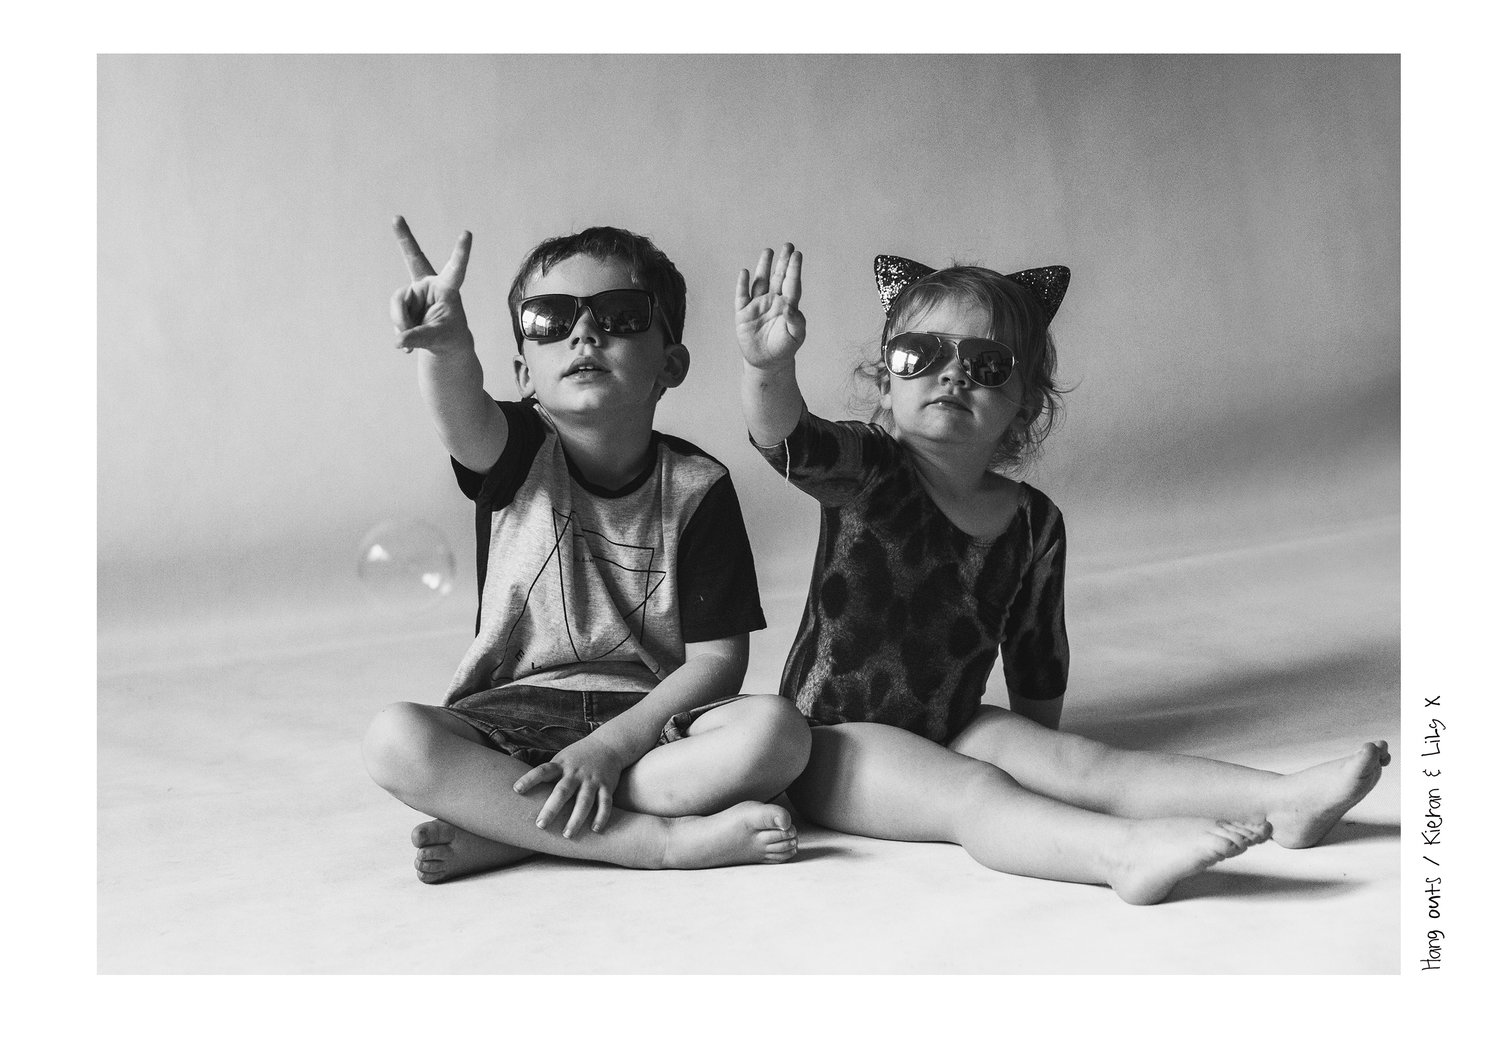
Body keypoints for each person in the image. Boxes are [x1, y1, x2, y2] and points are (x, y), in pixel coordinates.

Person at [735, 243, 1389, 904]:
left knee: (1087, 762)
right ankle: (1119, 855)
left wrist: (1043, 757)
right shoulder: (867, 469)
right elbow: (790, 441)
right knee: (976, 792)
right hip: (833, 743)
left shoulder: (1032, 520)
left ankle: (1282, 800)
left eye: (987, 365)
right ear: (885, 383)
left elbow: (1038, 651)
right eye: (919, 355)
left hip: (954, 720)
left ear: (1024, 405)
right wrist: (769, 366)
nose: (952, 374)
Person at [363, 219, 810, 882]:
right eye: (549, 319)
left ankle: (512, 827)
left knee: (779, 732)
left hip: (647, 725)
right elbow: (462, 413)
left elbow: (718, 662)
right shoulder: (514, 449)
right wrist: (448, 347)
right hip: (509, 719)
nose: (583, 334)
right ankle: (657, 842)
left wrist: (611, 746)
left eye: (621, 315)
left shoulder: (698, 486)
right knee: (393, 739)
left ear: (671, 364)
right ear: (524, 375)